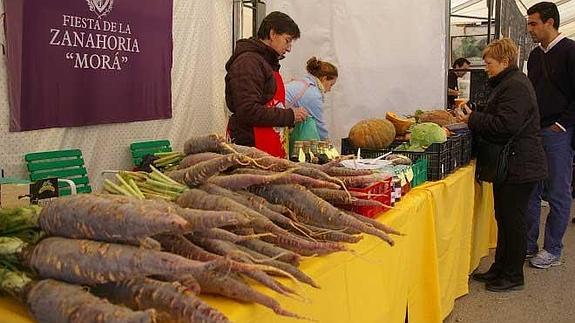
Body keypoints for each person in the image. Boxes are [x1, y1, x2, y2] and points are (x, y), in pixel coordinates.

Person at [457, 38, 547, 292]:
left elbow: (504, 126)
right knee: (505, 220)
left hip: (519, 165)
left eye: (489, 63)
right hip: (514, 164)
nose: (486, 68)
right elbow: (500, 113)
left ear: (504, 62)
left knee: (512, 222)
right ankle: (501, 267)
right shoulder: (509, 83)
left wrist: (473, 118)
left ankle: (513, 274)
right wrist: (478, 110)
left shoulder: (515, 86)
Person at [525, 2, 575, 269]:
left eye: (533, 23)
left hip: (559, 134)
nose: (529, 28)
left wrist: (562, 126)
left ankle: (553, 249)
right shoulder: (535, 56)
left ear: (550, 22)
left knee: (557, 192)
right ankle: (528, 244)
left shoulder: (570, 51)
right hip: (535, 132)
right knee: (532, 189)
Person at [225, 11, 309, 158]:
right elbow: (248, 110)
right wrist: (289, 115)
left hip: (268, 146)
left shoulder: (266, 62)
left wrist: (287, 116)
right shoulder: (248, 62)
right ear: (272, 34)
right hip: (251, 147)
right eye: (287, 40)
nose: (289, 48)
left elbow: (267, 103)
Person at [285, 57, 338, 140]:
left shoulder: (303, 84)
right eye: (331, 84)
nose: (329, 89)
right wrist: (328, 145)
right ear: (324, 79)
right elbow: (319, 124)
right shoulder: (313, 94)